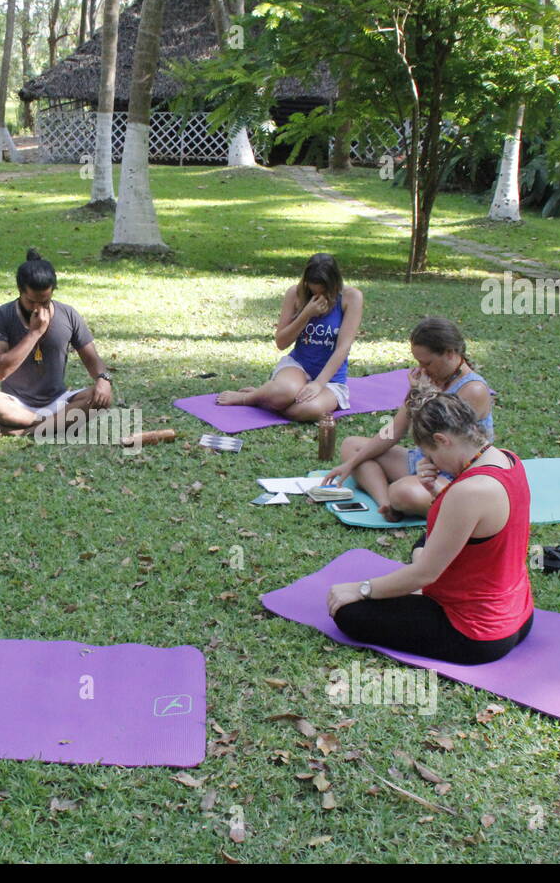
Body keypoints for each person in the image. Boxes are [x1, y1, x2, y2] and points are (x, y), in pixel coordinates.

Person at [326, 392, 533, 666]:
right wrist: (435, 488)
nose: (431, 462)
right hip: (519, 613)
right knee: (423, 544)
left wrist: (362, 589)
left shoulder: (468, 491)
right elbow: (478, 519)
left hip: (476, 634)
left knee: (348, 613)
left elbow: (425, 574)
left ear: (441, 440)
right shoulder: (506, 458)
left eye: (430, 454)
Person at [323, 317, 493, 520]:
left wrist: (422, 394)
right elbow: (394, 429)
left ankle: (401, 501)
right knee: (352, 446)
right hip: (425, 462)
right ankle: (386, 504)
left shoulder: (473, 389)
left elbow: (442, 444)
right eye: (419, 363)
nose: (423, 369)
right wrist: (351, 464)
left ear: (450, 353)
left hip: (455, 473)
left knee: (404, 492)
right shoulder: (431, 380)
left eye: (427, 362)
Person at [0, 249, 114, 437]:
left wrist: (103, 379)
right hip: (16, 404)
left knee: (101, 397)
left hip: (58, 401)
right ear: (20, 291)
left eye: (45, 300)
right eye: (31, 302)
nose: (38, 308)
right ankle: (49, 425)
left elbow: (92, 360)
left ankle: (26, 430)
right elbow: (0, 371)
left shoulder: (68, 314)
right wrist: (34, 333)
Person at [216, 253, 362, 422]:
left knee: (310, 410)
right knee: (284, 392)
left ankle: (270, 399)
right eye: (313, 290)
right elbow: (281, 342)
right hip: (298, 367)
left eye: (324, 291)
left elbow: (343, 348)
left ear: (334, 283)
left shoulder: (351, 297)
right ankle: (250, 398)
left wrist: (318, 384)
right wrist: (306, 314)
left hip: (331, 378)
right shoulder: (295, 293)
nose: (319, 296)